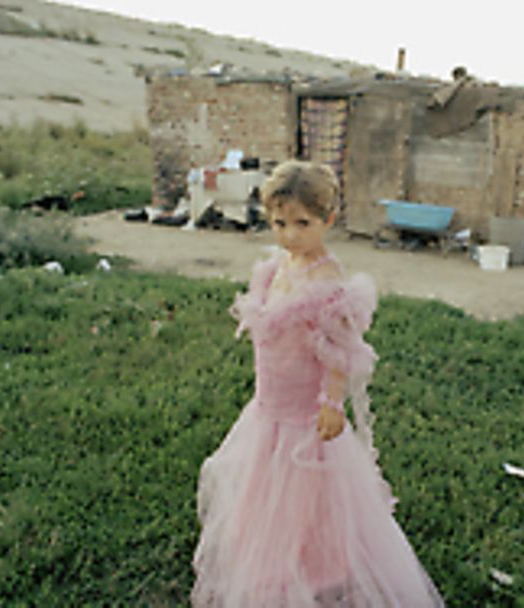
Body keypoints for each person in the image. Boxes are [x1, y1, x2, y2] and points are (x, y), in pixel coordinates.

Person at [190, 160, 444, 607]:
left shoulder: (326, 278)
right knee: (264, 491)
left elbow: (340, 348)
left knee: (308, 494)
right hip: (269, 405)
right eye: (279, 223)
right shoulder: (278, 267)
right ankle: (270, 563)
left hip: (305, 413)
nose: (289, 235)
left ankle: (319, 566)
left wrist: (332, 401)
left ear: (327, 220)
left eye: (302, 224)